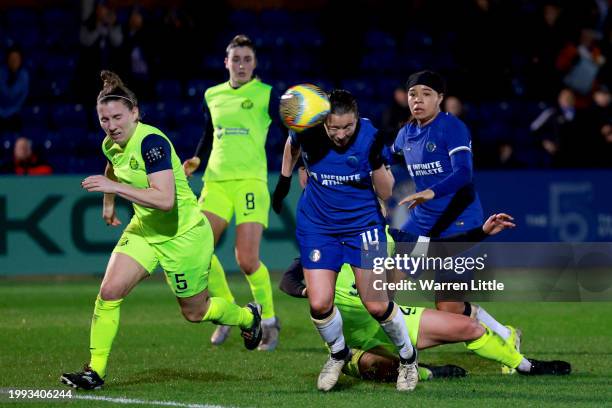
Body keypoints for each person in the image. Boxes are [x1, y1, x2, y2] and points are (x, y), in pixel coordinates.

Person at [60, 71, 262, 390]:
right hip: (145, 231)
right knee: (109, 292)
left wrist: (113, 187)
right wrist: (109, 202)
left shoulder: (151, 143)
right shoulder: (110, 144)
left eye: (117, 117)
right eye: (103, 119)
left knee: (196, 313)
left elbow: (165, 199)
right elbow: (113, 165)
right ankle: (94, 371)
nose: (111, 126)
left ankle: (248, 318)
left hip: (184, 237)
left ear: (135, 113)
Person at [279, 213, 572, 382]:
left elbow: (440, 249)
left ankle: (525, 365)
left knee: (470, 328)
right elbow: (287, 281)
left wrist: (482, 231)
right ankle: (429, 372)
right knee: (378, 367)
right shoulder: (326, 240)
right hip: (352, 341)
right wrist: (313, 292)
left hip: (392, 319)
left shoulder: (391, 237)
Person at [271, 89, 419, 392]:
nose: (340, 134)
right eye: (334, 127)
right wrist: (284, 181)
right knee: (320, 302)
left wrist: (376, 162)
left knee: (377, 305)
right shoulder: (309, 128)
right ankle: (338, 354)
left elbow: (387, 193)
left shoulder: (370, 137)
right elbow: (291, 143)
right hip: (318, 227)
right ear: (324, 121)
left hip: (363, 227)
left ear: (356, 119)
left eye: (347, 126)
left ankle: (408, 358)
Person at [391, 70, 520, 374]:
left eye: (425, 93)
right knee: (387, 284)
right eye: (412, 94)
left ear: (439, 98)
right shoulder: (405, 134)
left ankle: (505, 335)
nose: (418, 100)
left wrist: (431, 191)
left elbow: (464, 173)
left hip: (459, 221)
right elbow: (383, 155)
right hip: (422, 223)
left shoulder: (452, 128)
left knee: (448, 307)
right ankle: (399, 355)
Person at [182, 35, 280, 351]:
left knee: (247, 260)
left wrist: (302, 163)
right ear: (226, 62)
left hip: (251, 181)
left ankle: (268, 321)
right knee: (199, 251)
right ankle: (230, 313)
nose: (241, 65)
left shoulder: (266, 95)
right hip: (217, 182)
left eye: (246, 59)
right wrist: (197, 157)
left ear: (255, 64)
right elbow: (210, 132)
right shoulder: (213, 94)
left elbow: (294, 129)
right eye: (235, 59)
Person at [0, 47, 29, 132]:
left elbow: (22, 98)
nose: (14, 61)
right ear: (7, 60)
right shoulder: (1, 73)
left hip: (16, 113)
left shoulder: (24, 76)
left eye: (16, 59)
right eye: (12, 59)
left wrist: (10, 111)